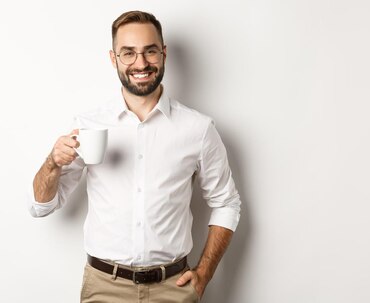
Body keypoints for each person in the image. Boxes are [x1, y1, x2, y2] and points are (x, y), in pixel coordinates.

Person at [28, 10, 242, 302]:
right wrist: (52, 163)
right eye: (128, 53)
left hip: (173, 288)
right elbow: (42, 206)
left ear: (163, 53)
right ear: (113, 59)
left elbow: (226, 202)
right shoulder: (89, 125)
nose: (141, 63)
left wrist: (204, 273)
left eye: (150, 51)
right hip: (104, 287)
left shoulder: (198, 129)